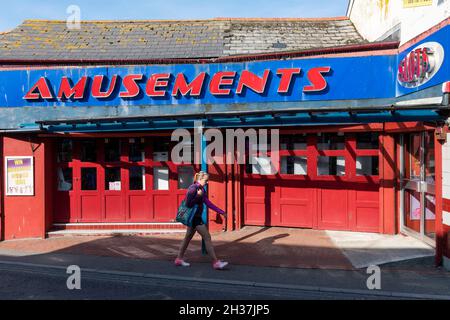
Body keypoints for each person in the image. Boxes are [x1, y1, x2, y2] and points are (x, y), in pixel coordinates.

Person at [175, 171, 229, 270]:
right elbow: (188, 204)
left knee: (187, 238)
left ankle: (179, 259)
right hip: (195, 218)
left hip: (195, 217)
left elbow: (208, 203)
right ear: (200, 179)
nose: (207, 182)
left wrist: (222, 212)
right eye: (206, 180)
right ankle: (216, 262)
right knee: (207, 237)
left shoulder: (201, 189)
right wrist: (198, 196)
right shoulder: (193, 188)